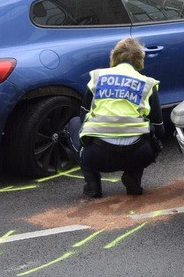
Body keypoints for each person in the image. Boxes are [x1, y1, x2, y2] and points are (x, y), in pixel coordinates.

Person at [66, 37, 164, 198]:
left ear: (114, 57)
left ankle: (92, 184)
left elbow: (83, 118)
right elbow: (160, 130)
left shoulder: (98, 78)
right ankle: (133, 177)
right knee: (151, 134)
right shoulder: (147, 83)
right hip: (137, 154)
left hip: (97, 156)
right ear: (140, 60)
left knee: (73, 124)